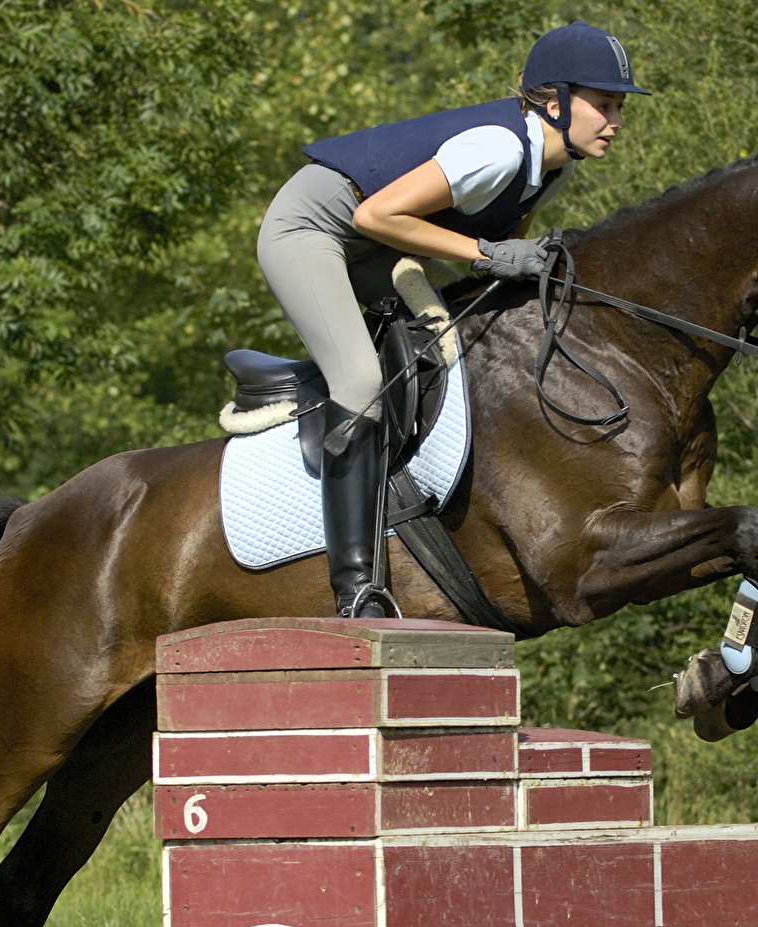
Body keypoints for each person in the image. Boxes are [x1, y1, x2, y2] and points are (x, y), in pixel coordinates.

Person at [257, 21, 648, 617]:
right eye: (604, 104)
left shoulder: (555, 162)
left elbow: (494, 236)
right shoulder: (500, 148)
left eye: (619, 105)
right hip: (313, 229)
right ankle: (356, 587)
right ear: (555, 102)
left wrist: (510, 263)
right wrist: (491, 255)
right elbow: (374, 215)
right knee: (361, 383)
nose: (617, 121)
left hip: (378, 243)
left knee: (456, 340)